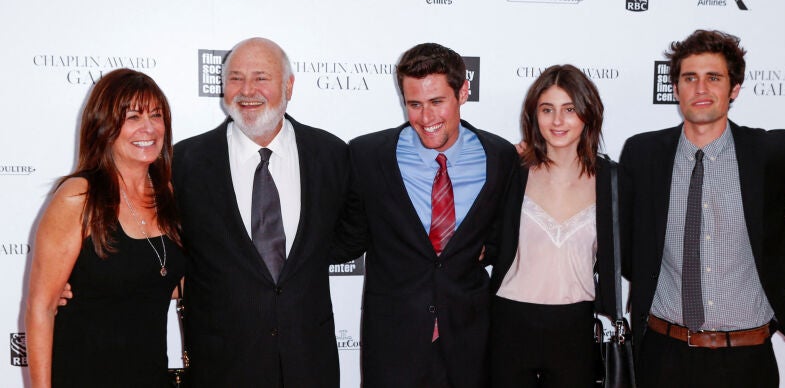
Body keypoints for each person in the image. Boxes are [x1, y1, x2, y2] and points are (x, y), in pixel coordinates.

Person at [619, 29, 785, 388]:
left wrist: (777, 271)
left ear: (734, 88)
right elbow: (625, 241)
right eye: (689, 78)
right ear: (675, 89)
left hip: (746, 360)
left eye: (714, 78)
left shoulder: (767, 153)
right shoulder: (644, 155)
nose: (700, 88)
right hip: (662, 356)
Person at [331, 42, 520, 387]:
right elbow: (351, 237)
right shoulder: (368, 156)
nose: (426, 118)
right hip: (393, 341)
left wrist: (485, 250)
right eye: (414, 104)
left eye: (437, 102)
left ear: (463, 92)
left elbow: (503, 235)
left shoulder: (500, 157)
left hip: (469, 340)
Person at [172, 37, 347, 387]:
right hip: (221, 367)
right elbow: (162, 246)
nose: (247, 90)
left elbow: (349, 235)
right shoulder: (185, 162)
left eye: (261, 78)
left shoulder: (331, 154)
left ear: (289, 86)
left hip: (310, 364)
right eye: (235, 78)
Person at [26, 68, 185, 388]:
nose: (149, 127)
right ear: (104, 126)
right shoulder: (79, 197)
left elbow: (167, 281)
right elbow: (40, 308)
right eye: (133, 116)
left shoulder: (168, 194)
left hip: (150, 377)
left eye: (156, 115)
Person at [489, 65, 616, 387]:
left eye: (569, 109)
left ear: (588, 113)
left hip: (575, 326)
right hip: (508, 323)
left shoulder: (613, 181)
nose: (558, 121)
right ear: (535, 116)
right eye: (547, 110)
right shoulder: (511, 171)